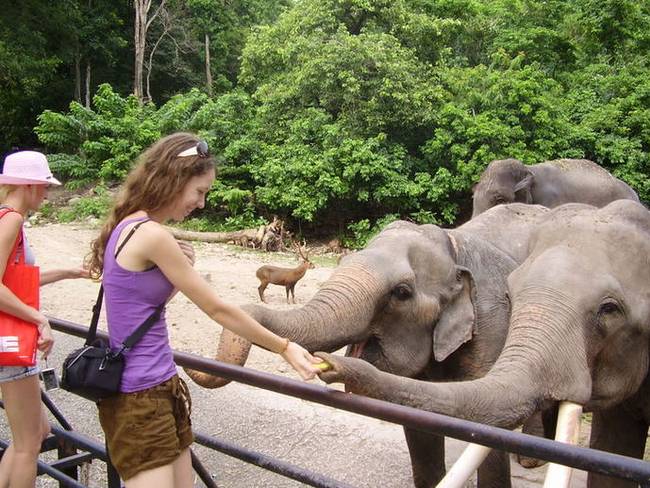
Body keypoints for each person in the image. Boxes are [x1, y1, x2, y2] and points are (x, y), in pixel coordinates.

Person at [86, 132, 321, 487]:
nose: (201, 203)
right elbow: (217, 309)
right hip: (141, 398)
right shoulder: (152, 235)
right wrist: (284, 347)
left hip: (162, 388)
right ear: (174, 179)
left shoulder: (130, 225)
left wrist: (176, 275)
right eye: (199, 191)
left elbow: (143, 309)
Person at [0, 150, 89, 487]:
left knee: (38, 430)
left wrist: (69, 272)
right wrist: (38, 318)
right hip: (12, 341)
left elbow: (15, 283)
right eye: (45, 186)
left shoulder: (6, 217)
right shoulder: (12, 220)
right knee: (28, 444)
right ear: (28, 185)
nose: (47, 194)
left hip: (9, 340)